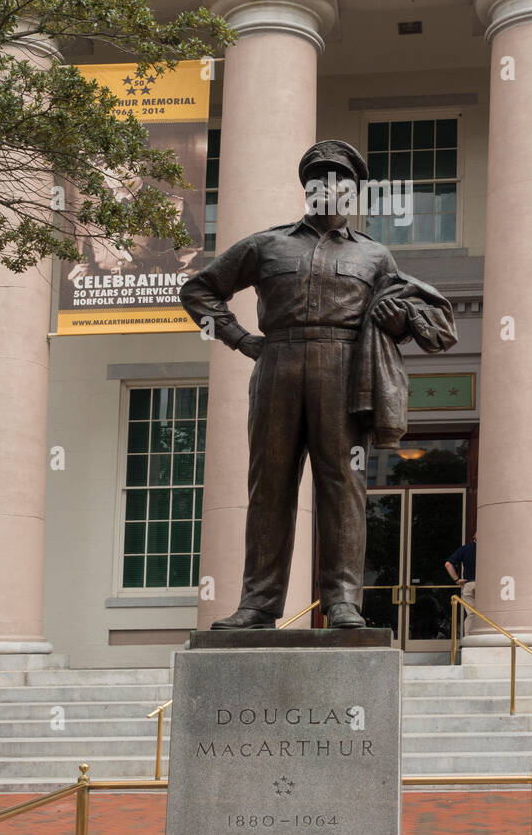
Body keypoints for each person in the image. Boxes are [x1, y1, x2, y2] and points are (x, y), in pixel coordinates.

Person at [179, 139, 457, 630]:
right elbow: (199, 289)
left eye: (340, 180)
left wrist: (394, 320)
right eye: (319, 179)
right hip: (278, 364)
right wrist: (242, 339)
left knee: (342, 486)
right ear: (307, 189)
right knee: (270, 487)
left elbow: (398, 319)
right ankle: (259, 604)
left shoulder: (374, 256)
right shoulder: (265, 245)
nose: (329, 187)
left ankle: (343, 601)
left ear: (353, 192)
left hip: (346, 370)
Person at [445, 532, 477, 636]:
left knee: (471, 614)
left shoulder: (465, 549)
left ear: (474, 537)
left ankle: (468, 640)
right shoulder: (489, 549)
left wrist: (457, 579)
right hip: (485, 585)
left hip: (469, 584)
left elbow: (448, 564)